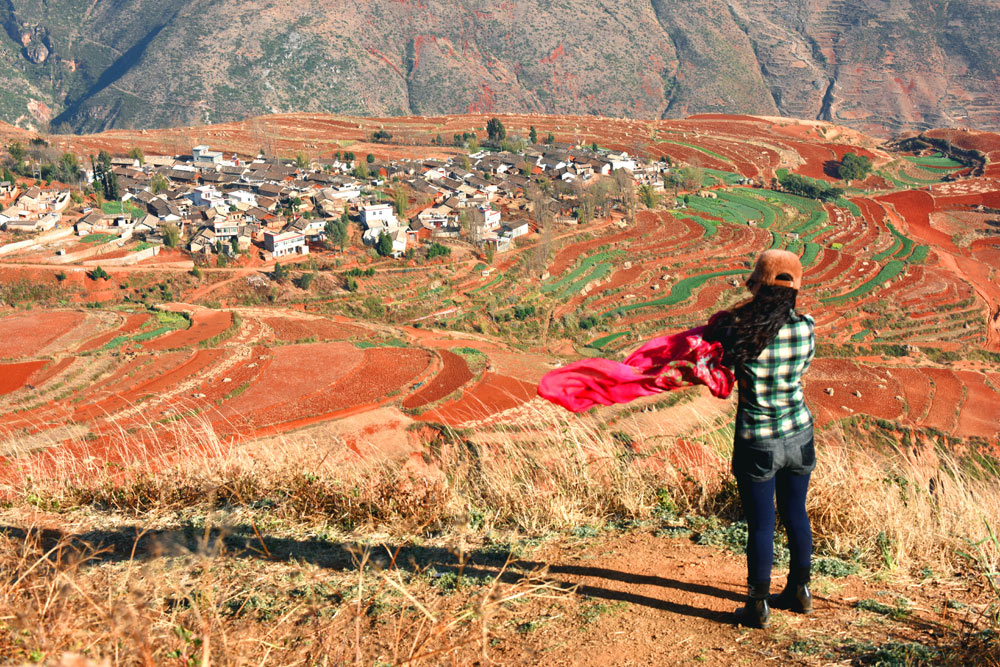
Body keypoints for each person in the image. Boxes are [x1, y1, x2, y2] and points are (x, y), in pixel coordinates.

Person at [703, 250, 816, 628]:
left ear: (758, 286)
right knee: (796, 513)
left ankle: (757, 605)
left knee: (762, 524)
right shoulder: (806, 327)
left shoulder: (740, 331)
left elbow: (713, 354)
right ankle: (800, 591)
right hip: (799, 433)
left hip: (758, 439)